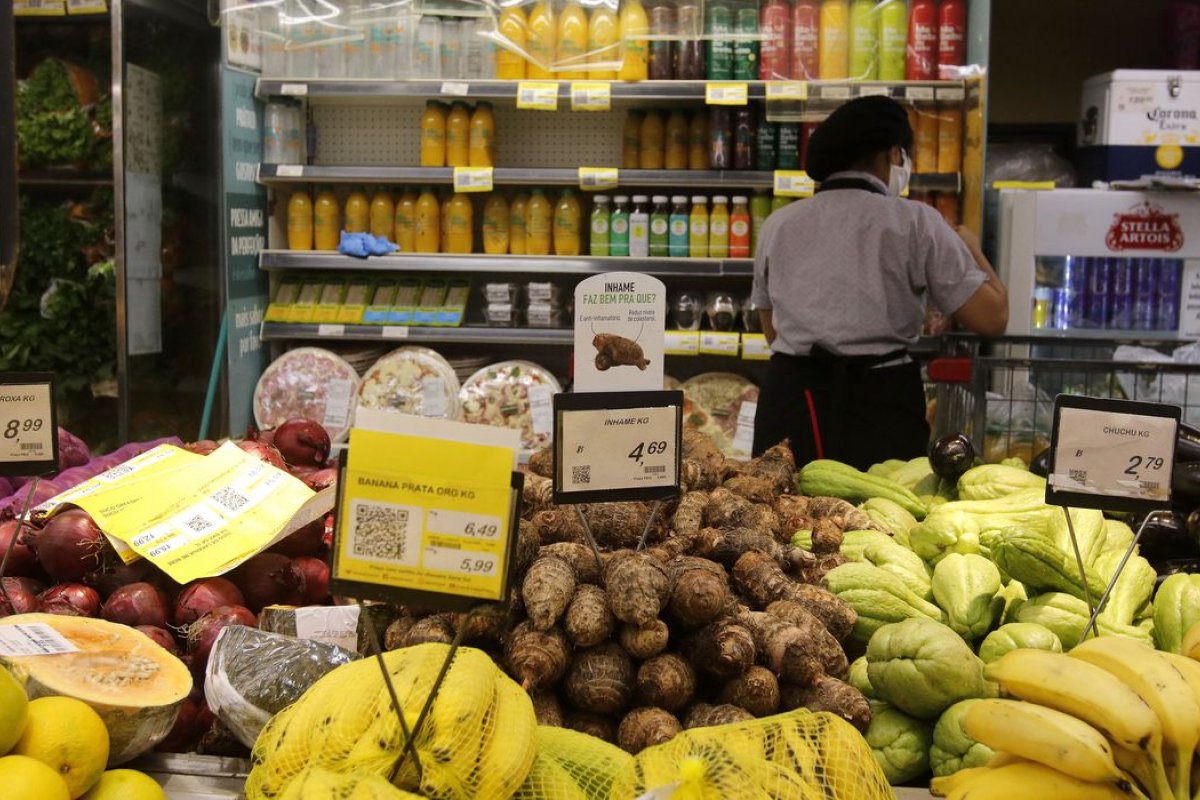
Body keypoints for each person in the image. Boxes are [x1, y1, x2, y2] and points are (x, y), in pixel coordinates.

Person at [750, 95, 1008, 469]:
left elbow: (770, 328)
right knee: (883, 518)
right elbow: (993, 318)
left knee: (782, 513)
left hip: (793, 398)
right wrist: (971, 247)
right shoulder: (916, 222)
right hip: (882, 399)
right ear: (893, 154)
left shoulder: (779, 223)